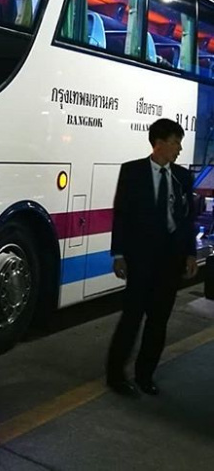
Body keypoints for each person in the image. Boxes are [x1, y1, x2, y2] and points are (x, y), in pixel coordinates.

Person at [106, 118, 198, 397]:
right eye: (175, 142)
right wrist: (119, 254)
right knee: (131, 318)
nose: (179, 149)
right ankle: (116, 375)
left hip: (170, 261)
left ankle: (145, 375)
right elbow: (121, 214)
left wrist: (190, 253)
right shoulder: (132, 172)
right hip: (140, 259)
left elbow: (187, 219)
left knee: (158, 321)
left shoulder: (182, 177)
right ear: (159, 143)